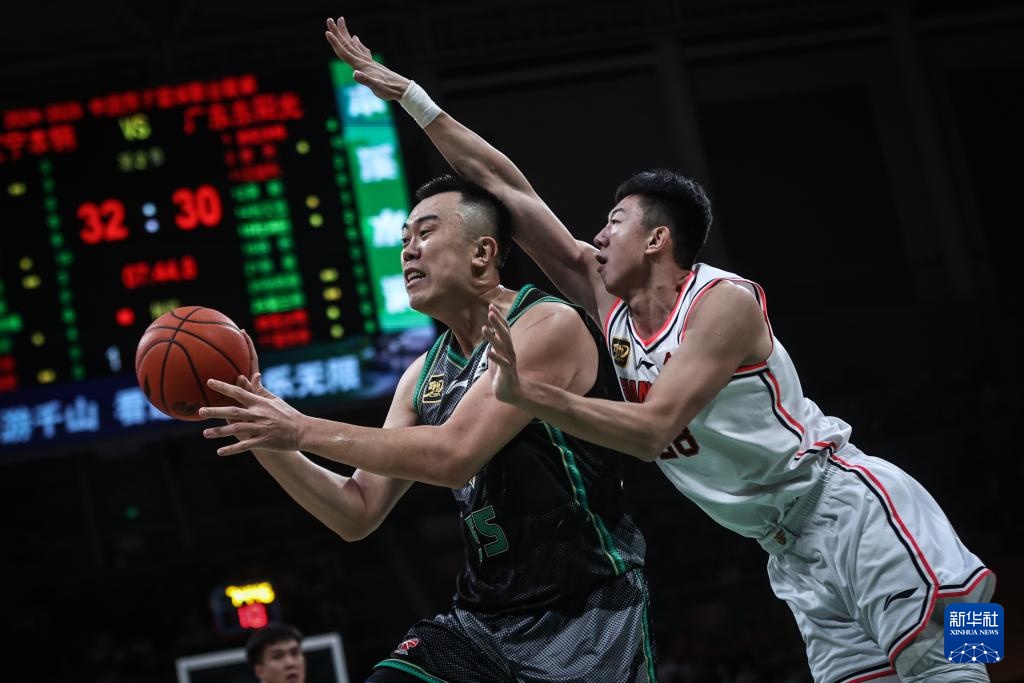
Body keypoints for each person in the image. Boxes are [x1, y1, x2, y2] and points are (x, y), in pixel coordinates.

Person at [322, 16, 996, 683]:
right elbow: (504, 187)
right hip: (791, 553)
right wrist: (414, 99)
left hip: (848, 507)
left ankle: (986, 634)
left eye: (614, 222)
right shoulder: (610, 305)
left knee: (960, 658)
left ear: (657, 239)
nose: (597, 236)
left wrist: (533, 395)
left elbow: (652, 430)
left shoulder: (722, 303)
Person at [200, 174, 655, 681]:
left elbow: (454, 455)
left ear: (482, 252)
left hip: (588, 612)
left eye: (426, 233)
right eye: (403, 240)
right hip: (481, 623)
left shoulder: (546, 325)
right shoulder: (421, 376)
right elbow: (356, 510)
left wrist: (301, 428)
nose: (408, 251)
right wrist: (261, 431)